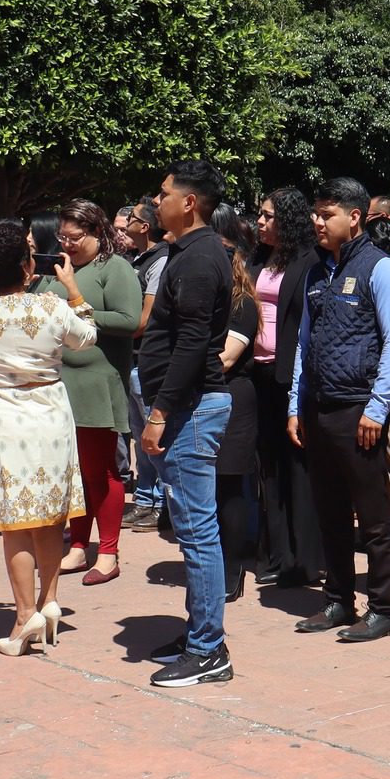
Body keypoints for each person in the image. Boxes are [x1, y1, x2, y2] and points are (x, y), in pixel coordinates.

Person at [0, 219, 96, 655]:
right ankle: (49, 601)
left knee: (14, 520)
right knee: (48, 513)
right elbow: (87, 339)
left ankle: (24, 616)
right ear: (26, 265)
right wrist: (75, 292)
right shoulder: (53, 307)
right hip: (49, 414)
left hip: (0, 415)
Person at [288, 176, 390, 643]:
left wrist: (377, 408)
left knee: (375, 517)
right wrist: (296, 404)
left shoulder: (379, 270)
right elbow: (303, 345)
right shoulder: (319, 273)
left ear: (354, 217)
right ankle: (338, 600)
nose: (317, 222)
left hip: (358, 409)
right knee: (330, 512)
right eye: (316, 214)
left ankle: (384, 608)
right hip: (318, 407)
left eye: (326, 214)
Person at [138, 162, 236, 688]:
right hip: (184, 408)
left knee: (198, 533)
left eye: (164, 194)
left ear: (189, 202)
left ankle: (208, 650)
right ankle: (201, 630)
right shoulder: (185, 252)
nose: (157, 202)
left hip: (191, 410)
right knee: (193, 531)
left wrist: (160, 412)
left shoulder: (199, 258)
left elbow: (194, 343)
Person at [39, 201, 141, 586]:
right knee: (72, 473)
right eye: (62, 236)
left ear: (97, 233)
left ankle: (109, 552)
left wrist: (74, 300)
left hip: (97, 383)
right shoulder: (59, 267)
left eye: (75, 237)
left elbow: (130, 320)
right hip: (57, 384)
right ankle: (79, 545)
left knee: (101, 472)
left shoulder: (114, 269)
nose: (67, 244)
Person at [252, 187, 321, 588]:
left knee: (298, 469)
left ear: (289, 220)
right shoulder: (261, 258)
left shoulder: (308, 261)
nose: (260, 222)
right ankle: (276, 553)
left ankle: (304, 557)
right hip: (258, 373)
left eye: (268, 216)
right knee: (270, 467)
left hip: (290, 376)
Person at [211, 209, 262, 603]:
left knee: (230, 488)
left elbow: (227, 358)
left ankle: (233, 567)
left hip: (234, 400)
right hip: (204, 399)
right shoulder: (204, 301)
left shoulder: (242, 303)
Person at [124, 205, 171, 531]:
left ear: (146, 226)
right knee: (141, 439)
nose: (126, 223)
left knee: (156, 439)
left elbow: (144, 318)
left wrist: (109, 326)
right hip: (131, 359)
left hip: (149, 361)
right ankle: (144, 500)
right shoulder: (134, 260)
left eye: (133, 219)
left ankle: (163, 504)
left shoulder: (160, 261)